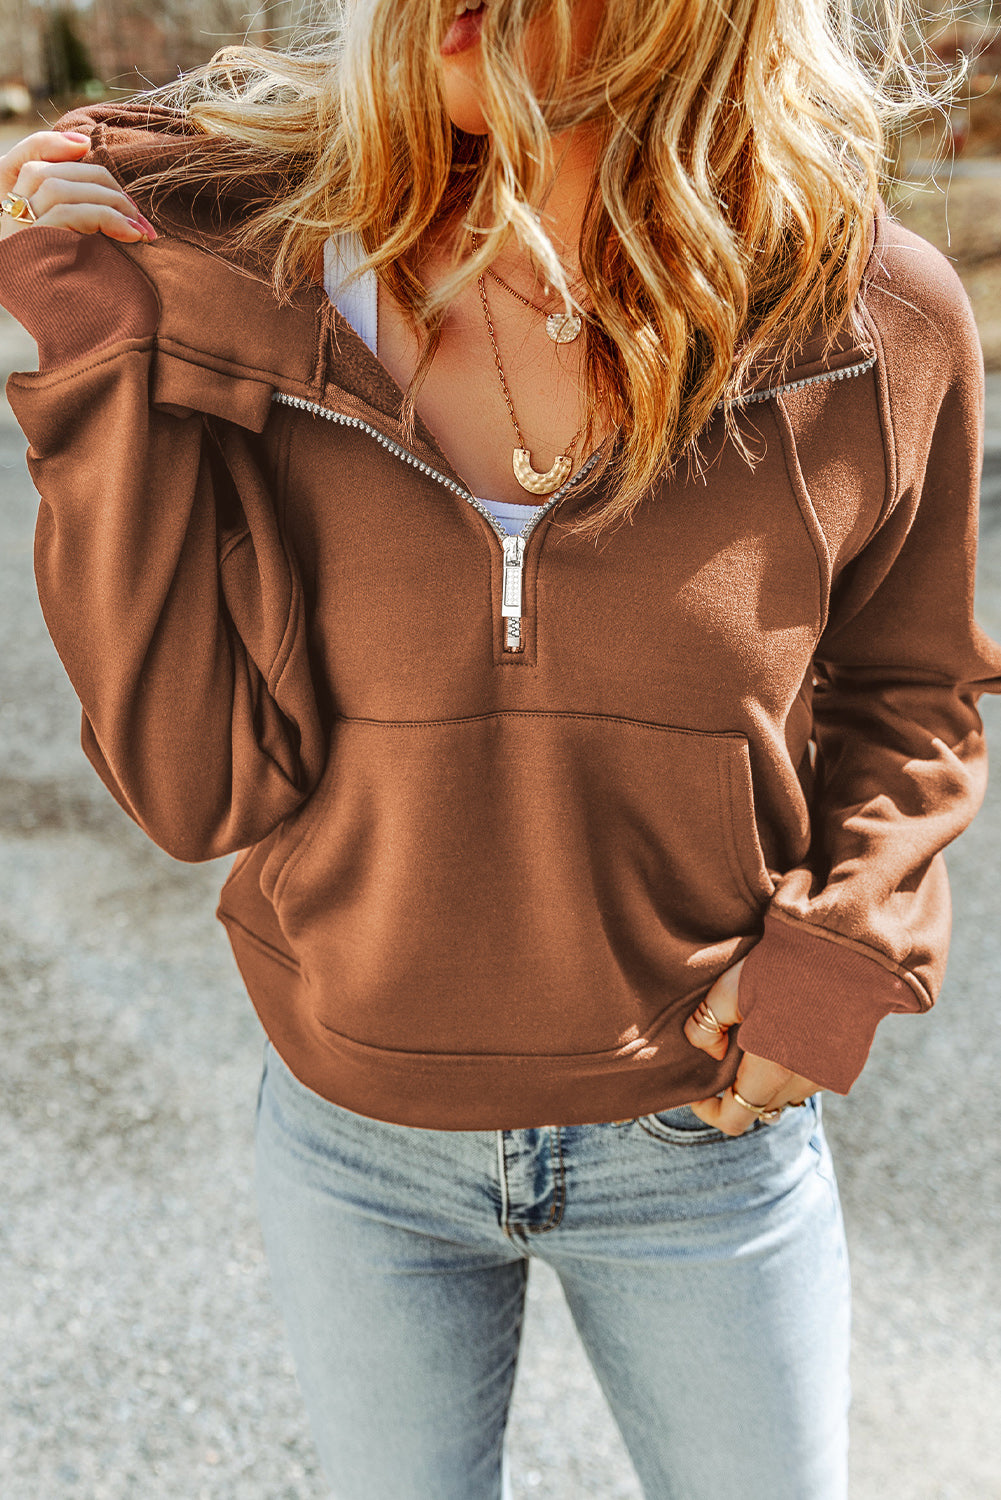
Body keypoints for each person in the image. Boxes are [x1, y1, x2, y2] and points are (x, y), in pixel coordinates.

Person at [1, 0, 999, 1495]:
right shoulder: (257, 290)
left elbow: (910, 687)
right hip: (354, 1142)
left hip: (699, 1143)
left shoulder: (867, 324)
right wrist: (85, 379)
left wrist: (845, 958)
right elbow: (190, 785)